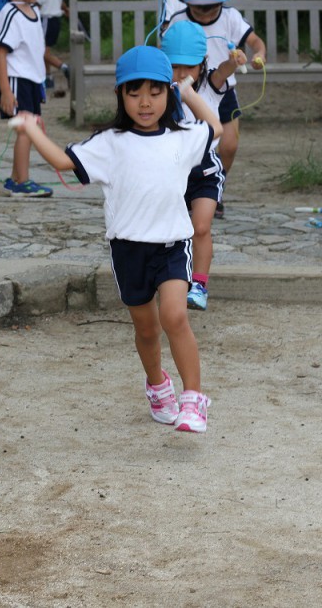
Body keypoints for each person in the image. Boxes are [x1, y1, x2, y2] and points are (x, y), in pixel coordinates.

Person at [11, 45, 222, 432]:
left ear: (167, 94)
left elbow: (216, 128)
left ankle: (194, 400)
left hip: (173, 246)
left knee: (175, 316)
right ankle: (158, 386)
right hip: (128, 251)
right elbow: (62, 161)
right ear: (120, 95)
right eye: (134, 92)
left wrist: (189, 93)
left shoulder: (183, 136)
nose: (145, 102)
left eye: (155, 92)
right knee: (147, 330)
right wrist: (31, 129)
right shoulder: (109, 142)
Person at [166, 0, 266, 218]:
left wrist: (258, 55)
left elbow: (255, 42)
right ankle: (188, 192)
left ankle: (214, 187)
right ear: (187, 2)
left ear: (222, 2)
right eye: (199, 9)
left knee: (229, 145)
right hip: (185, 90)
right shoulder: (178, 20)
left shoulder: (230, 17)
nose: (205, 14)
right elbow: (167, 51)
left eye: (211, 8)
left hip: (220, 87)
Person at [161, 21, 245, 311]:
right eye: (174, 66)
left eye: (189, 66)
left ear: (202, 64)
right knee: (170, 230)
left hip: (205, 170)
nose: (181, 73)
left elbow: (224, 70)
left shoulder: (211, 84)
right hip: (171, 169)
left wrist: (234, 60)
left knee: (200, 227)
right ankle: (169, 279)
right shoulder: (159, 89)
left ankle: (199, 286)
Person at [0, 0, 53, 198]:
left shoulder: (34, 11)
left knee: (29, 129)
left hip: (32, 81)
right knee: (26, 130)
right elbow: (0, 52)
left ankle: (16, 178)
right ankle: (23, 183)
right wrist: (6, 91)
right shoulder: (10, 13)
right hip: (16, 81)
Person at [37, 0, 69, 94]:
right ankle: (47, 78)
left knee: (42, 51)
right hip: (56, 21)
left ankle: (64, 67)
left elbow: (37, 5)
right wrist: (66, 10)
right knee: (46, 50)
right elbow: (61, 2)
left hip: (45, 20)